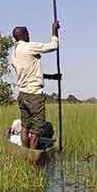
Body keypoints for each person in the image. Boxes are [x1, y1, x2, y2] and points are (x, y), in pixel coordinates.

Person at [10, 21, 61, 149]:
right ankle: (32, 155)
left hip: (23, 95)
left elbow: (30, 73)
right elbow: (53, 46)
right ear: (24, 35)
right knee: (38, 127)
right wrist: (54, 31)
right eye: (27, 33)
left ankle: (24, 151)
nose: (29, 35)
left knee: (25, 125)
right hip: (34, 95)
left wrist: (51, 76)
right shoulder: (28, 46)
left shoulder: (15, 52)